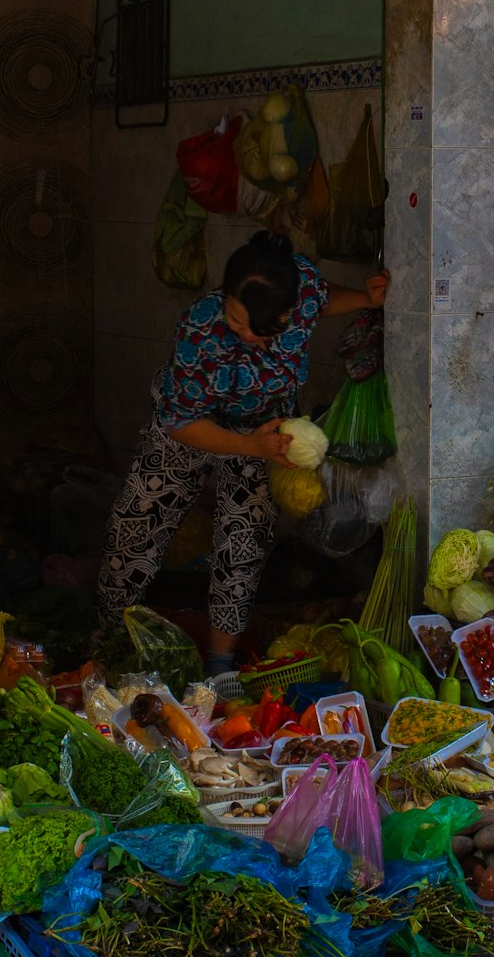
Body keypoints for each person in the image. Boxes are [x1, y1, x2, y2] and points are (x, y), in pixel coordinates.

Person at [97, 230, 389, 674]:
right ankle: (110, 645)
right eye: (235, 320)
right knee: (135, 527)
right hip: (190, 428)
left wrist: (365, 298)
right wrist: (247, 446)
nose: (245, 334)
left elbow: (322, 300)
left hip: (264, 429)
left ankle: (220, 666)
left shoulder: (303, 287)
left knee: (244, 540)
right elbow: (182, 422)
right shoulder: (201, 327)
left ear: (289, 312)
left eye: (260, 329)